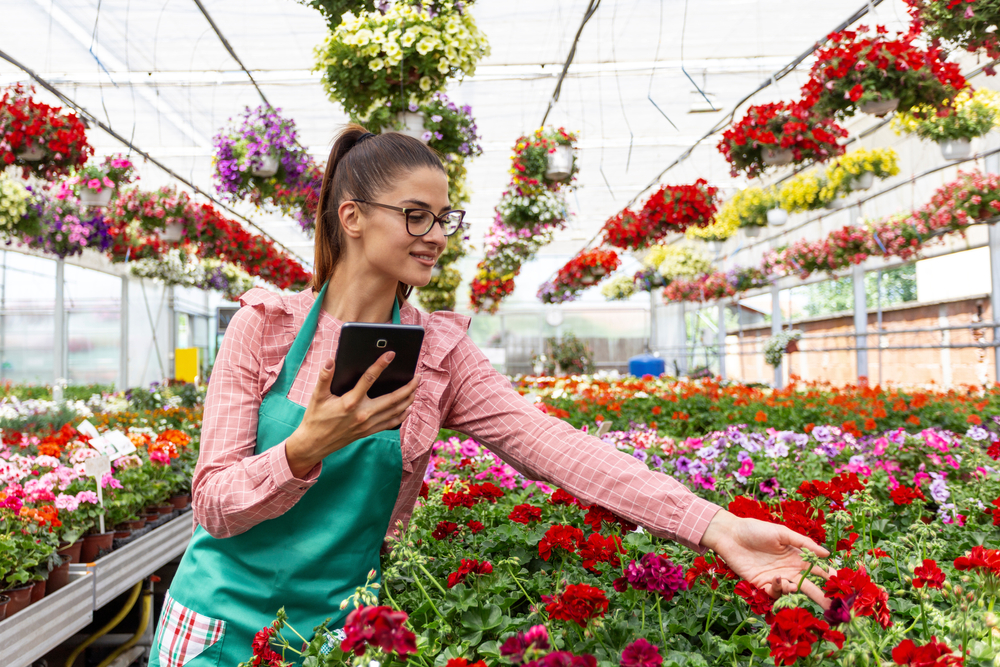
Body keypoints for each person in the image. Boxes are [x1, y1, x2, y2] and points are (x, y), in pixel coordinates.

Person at [148, 125, 830, 667]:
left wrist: (714, 525)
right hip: (217, 627)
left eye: (445, 216)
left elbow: (554, 446)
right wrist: (304, 448)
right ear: (351, 216)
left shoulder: (440, 355)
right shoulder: (266, 329)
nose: (438, 235)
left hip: (336, 636)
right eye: (416, 216)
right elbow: (213, 502)